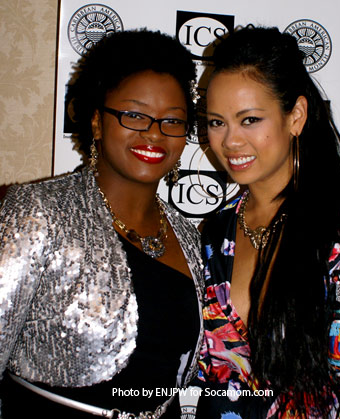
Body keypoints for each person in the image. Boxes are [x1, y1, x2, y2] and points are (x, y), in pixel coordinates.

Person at [195, 26, 340, 418]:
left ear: (296, 116)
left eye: (250, 120)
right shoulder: (214, 235)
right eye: (216, 122)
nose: (229, 141)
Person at [0, 29, 204, 419]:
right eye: (134, 114)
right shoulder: (39, 211)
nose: (154, 132)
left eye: (172, 121)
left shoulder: (189, 238)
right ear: (96, 121)